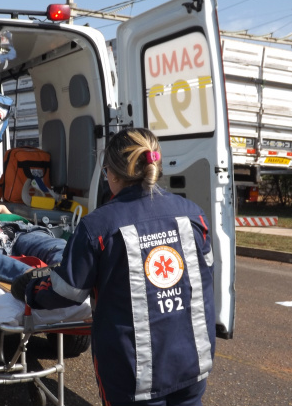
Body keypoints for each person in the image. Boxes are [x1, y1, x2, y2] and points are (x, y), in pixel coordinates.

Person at [14, 127, 215, 406]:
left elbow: (66, 292)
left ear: (113, 173)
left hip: (134, 374)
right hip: (192, 362)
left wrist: (31, 289)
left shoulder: (99, 226)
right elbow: (204, 278)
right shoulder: (193, 214)